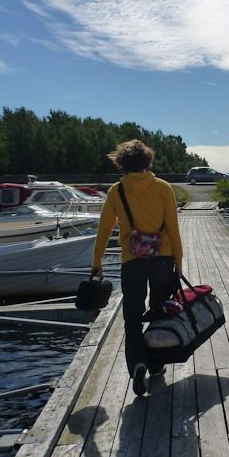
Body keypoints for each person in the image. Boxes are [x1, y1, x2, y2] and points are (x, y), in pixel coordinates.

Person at [92, 139, 183, 396]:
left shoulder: (116, 191)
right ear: (147, 161)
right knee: (159, 312)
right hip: (163, 260)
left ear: (122, 164)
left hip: (132, 262)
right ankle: (156, 365)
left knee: (132, 317)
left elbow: (104, 230)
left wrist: (97, 263)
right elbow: (174, 230)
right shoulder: (163, 188)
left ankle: (137, 364)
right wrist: (179, 263)